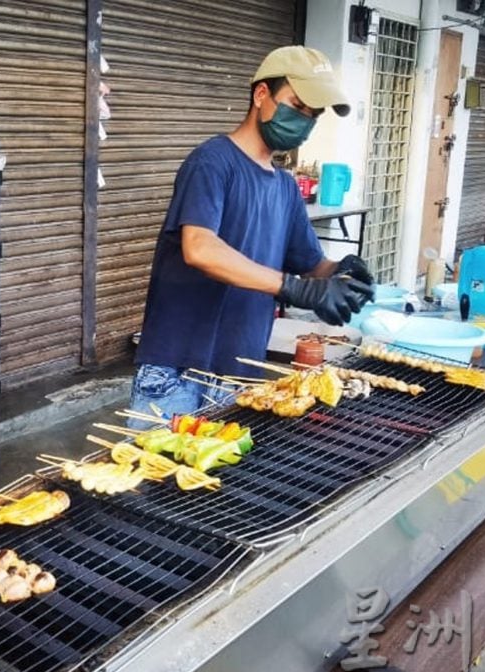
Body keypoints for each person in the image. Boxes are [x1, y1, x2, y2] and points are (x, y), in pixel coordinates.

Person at [129, 46, 374, 420]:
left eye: (313, 115)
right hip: (177, 370)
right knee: (156, 476)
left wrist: (342, 272)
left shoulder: (285, 188)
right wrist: (292, 288)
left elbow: (309, 264)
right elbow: (200, 249)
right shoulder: (211, 163)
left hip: (240, 372)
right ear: (262, 95)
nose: (303, 121)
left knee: (220, 478)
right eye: (296, 105)